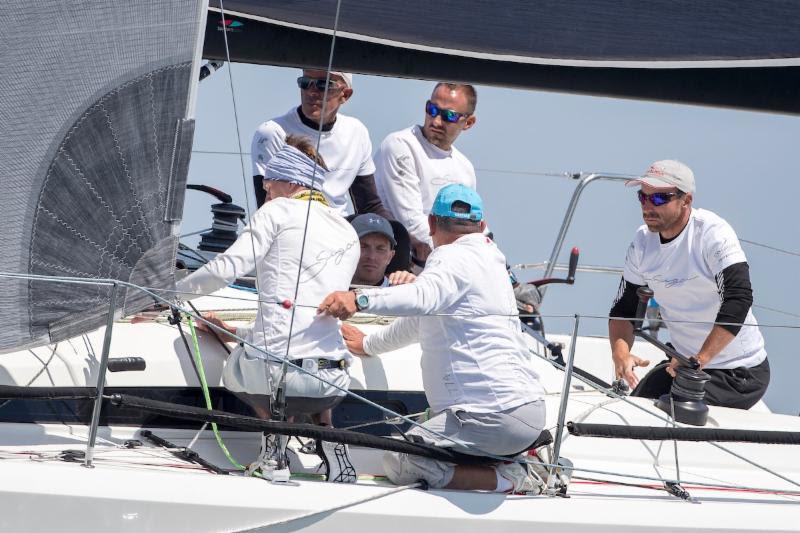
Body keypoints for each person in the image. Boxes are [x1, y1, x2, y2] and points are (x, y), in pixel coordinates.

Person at [319, 184, 547, 494]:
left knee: (403, 461)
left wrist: (358, 300)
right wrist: (368, 344)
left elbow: (422, 297)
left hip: (491, 419)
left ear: (431, 224)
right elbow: (420, 321)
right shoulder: (490, 261)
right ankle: (512, 464)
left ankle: (516, 478)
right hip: (528, 411)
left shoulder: (451, 257)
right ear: (481, 226)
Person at [177, 135, 360, 482]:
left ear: (290, 181)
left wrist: (168, 291)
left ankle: (273, 453)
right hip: (333, 382)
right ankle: (335, 451)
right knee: (306, 346)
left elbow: (225, 269)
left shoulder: (277, 211)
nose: (265, 188)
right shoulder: (346, 228)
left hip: (278, 379)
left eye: (269, 180)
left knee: (243, 361)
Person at [609, 160, 770, 409]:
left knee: (666, 412)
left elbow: (738, 299)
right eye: (643, 197)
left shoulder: (711, 233)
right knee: (634, 408)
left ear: (686, 200)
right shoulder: (642, 242)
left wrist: (699, 360)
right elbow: (624, 309)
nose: (648, 206)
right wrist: (621, 354)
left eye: (660, 198)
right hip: (683, 365)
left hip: (739, 372)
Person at [251, 69, 391, 219]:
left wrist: (402, 238)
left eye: (323, 85)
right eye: (305, 83)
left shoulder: (357, 132)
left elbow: (369, 205)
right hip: (291, 230)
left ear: (345, 95)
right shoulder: (272, 132)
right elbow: (267, 206)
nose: (311, 92)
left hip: (341, 232)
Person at [374, 83, 477, 264]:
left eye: (449, 116)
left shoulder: (465, 167)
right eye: (432, 109)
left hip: (445, 267)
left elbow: (471, 226)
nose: (436, 120)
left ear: (468, 123)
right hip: (399, 268)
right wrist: (461, 260)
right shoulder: (400, 145)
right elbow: (411, 223)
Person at [350, 213, 416, 287]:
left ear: (390, 256)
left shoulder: (401, 289)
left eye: (380, 249)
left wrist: (413, 289)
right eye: (363, 246)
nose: (372, 256)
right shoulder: (335, 286)